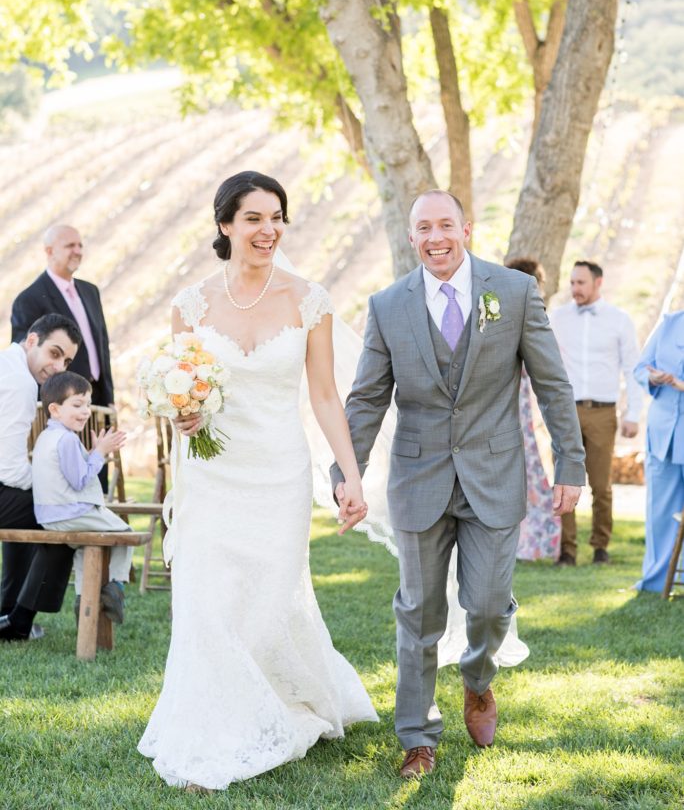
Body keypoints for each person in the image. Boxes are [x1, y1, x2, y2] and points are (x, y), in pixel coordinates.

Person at [138, 171, 377, 792]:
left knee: (267, 603)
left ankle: (281, 698)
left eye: (276, 217)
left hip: (280, 475)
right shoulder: (190, 305)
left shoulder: (309, 300)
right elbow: (182, 396)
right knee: (208, 602)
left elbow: (325, 397)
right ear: (225, 225)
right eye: (253, 218)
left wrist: (349, 474)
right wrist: (184, 413)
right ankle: (219, 728)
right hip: (214, 474)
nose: (268, 229)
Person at [332, 190, 584, 775]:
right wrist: (349, 473)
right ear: (411, 235)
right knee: (417, 611)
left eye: (446, 224)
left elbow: (552, 383)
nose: (435, 237)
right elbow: (367, 397)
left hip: (494, 475)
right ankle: (418, 736)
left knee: (490, 606)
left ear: (466, 229)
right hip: (418, 478)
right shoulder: (389, 305)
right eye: (423, 227)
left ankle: (477, 678)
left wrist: (569, 462)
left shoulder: (514, 293)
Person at [550, 260, 642, 566]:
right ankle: (567, 550)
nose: (575, 289)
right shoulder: (558, 318)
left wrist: (633, 413)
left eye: (581, 283)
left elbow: (632, 368)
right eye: (572, 283)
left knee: (601, 485)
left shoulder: (619, 320)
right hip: (566, 412)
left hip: (603, 412)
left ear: (598, 283)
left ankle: (601, 546)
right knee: (564, 481)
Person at [11, 225, 115, 492]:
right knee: (65, 479)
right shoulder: (29, 299)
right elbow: (29, 363)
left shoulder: (90, 291)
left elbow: (101, 347)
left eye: (80, 245)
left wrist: (109, 397)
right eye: (70, 246)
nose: (78, 251)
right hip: (57, 408)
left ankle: (94, 525)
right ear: (49, 251)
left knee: (96, 479)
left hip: (95, 400)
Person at [0, 314, 81, 641]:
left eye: (67, 360)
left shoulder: (8, 364)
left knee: (32, 506)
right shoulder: (19, 381)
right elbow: (9, 469)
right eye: (54, 353)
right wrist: (54, 486)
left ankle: (7, 610)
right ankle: (17, 621)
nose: (59, 366)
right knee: (65, 515)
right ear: (32, 340)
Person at [30, 371, 129, 623]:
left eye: (87, 404)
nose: (85, 411)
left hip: (50, 515)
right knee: (126, 533)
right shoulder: (66, 440)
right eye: (77, 405)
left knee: (88, 546)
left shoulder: (46, 436)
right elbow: (80, 480)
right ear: (55, 409)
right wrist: (100, 453)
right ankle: (116, 588)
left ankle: (82, 596)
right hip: (71, 512)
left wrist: (94, 451)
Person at [504, 258, 561, 561]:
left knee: (529, 467)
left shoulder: (536, 318)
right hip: (503, 402)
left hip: (525, 406)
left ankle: (532, 542)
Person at [633, 310, 684, 593]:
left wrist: (680, 384)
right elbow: (640, 367)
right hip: (663, 430)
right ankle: (654, 582)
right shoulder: (667, 324)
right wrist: (653, 378)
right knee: (660, 510)